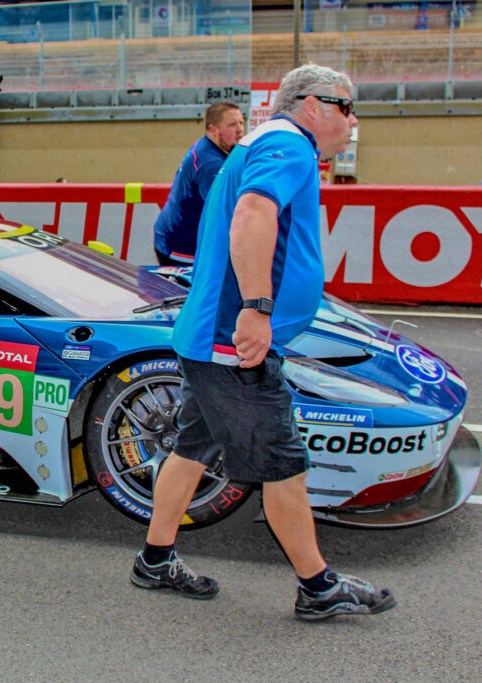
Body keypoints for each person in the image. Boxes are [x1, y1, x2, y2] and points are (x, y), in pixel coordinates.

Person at [132, 64, 396, 621]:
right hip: (234, 342)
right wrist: (256, 309)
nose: (353, 120)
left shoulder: (265, 142)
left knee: (189, 449)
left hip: (213, 337)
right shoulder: (289, 144)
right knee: (283, 465)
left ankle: (155, 560)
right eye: (346, 106)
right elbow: (254, 214)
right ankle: (318, 588)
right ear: (312, 105)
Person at [152, 101, 245, 266]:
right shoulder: (210, 165)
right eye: (232, 125)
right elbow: (225, 213)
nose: (240, 130)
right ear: (213, 130)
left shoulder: (212, 147)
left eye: (241, 122)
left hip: (172, 236)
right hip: (181, 248)